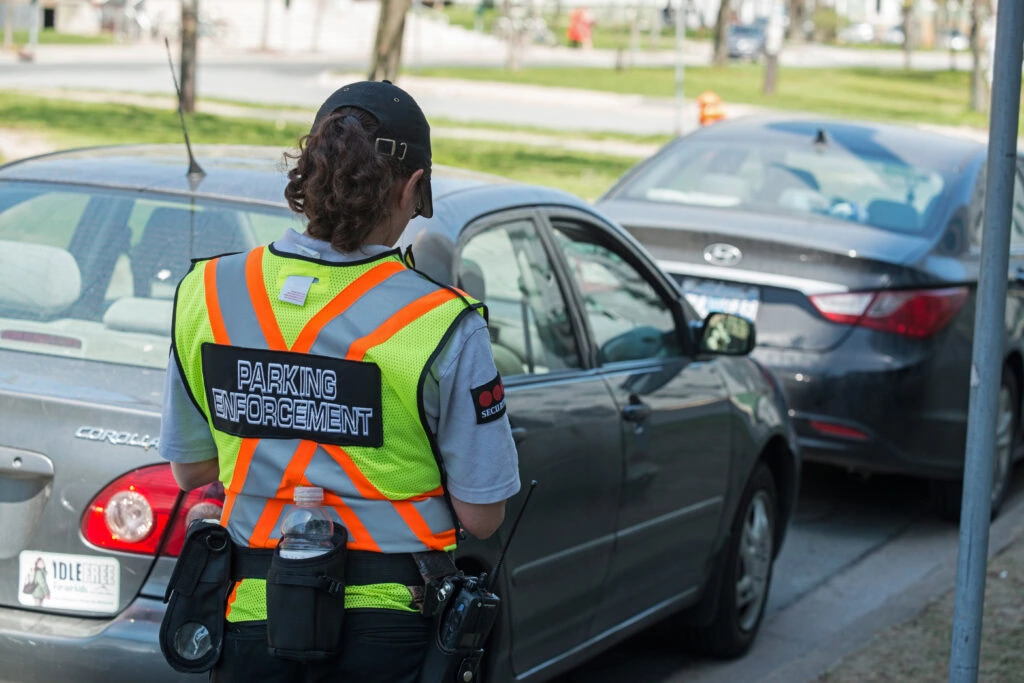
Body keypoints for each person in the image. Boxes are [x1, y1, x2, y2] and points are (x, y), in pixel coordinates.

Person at [159, 80, 521, 682]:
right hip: (390, 627)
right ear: (411, 188)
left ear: (308, 175)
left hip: (250, 612)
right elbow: (482, 517)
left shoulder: (209, 294)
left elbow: (192, 471)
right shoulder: (440, 321)